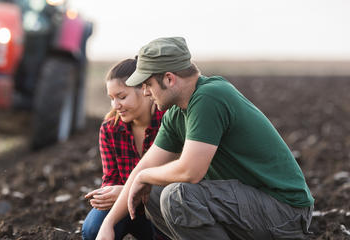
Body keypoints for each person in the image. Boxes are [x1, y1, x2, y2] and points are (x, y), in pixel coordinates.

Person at [96, 37, 314, 240]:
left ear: (169, 79)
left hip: (285, 212)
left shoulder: (210, 97)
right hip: (247, 205)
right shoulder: (176, 113)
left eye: (148, 85)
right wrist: (109, 224)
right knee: (152, 193)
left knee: (177, 196)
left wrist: (145, 176)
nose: (145, 93)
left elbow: (190, 171)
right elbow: (145, 166)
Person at [81, 58, 166, 240]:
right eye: (112, 99)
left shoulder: (168, 122)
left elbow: (177, 179)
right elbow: (111, 179)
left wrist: (130, 191)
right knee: (92, 229)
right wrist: (106, 194)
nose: (115, 106)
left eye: (121, 97)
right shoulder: (110, 129)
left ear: (144, 90)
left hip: (163, 209)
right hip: (126, 208)